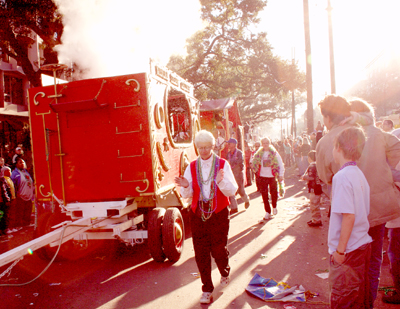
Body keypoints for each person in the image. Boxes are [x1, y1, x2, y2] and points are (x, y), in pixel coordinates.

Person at [316, 95, 400, 307]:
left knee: (350, 266)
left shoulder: (327, 141)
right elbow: (397, 149)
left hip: (349, 216)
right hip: (378, 210)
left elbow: (324, 177)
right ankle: (367, 303)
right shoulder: (373, 132)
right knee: (373, 262)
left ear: (328, 117)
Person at [174, 130, 238, 304]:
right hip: (198, 213)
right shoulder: (192, 166)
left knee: (218, 250)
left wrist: (220, 181)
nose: (203, 151)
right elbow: (186, 195)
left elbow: (233, 190)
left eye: (206, 147)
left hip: (219, 212)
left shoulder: (223, 164)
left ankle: (224, 271)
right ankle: (207, 288)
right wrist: (187, 185)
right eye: (200, 147)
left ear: (212, 147)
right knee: (201, 252)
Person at [328, 126, 372, 308]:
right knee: (358, 297)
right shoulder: (359, 174)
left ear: (338, 147)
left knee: (344, 299)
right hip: (361, 244)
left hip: (349, 250)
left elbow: (349, 216)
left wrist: (340, 252)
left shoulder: (342, 176)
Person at [251, 137, 284, 221]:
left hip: (272, 176)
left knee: (273, 193)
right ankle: (268, 212)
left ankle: (274, 206)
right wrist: (253, 165)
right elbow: (253, 160)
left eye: (267, 143)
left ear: (269, 143)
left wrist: (281, 174)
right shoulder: (258, 153)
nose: (265, 144)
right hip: (262, 176)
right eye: (264, 143)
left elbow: (280, 163)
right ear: (262, 144)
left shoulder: (274, 152)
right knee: (264, 195)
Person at [224, 138, 250, 214]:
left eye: (230, 143)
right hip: (231, 174)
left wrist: (231, 162)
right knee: (232, 190)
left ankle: (247, 200)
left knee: (241, 190)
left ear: (234, 144)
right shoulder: (228, 154)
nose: (228, 144)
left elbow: (240, 162)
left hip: (238, 174)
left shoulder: (239, 153)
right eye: (228, 143)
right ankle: (234, 208)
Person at [301, 150, 323, 227]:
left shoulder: (312, 166)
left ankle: (316, 220)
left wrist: (304, 177)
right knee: (316, 204)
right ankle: (315, 219)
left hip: (314, 187)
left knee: (314, 205)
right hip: (318, 187)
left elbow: (311, 177)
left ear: (310, 158)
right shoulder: (318, 165)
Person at [11, 158, 35, 229]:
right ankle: (18, 226)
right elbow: (13, 185)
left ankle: (26, 224)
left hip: (29, 196)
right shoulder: (14, 173)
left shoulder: (26, 172)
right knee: (20, 212)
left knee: (28, 210)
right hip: (20, 196)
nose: (22, 164)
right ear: (16, 164)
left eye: (23, 162)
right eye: (20, 162)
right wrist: (15, 194)